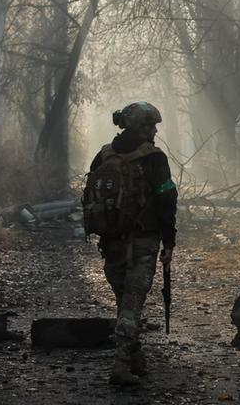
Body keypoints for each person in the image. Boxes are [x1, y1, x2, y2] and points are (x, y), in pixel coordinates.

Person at [85, 101, 178, 386]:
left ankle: (135, 357)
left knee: (126, 301)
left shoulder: (103, 156)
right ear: (140, 127)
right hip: (143, 241)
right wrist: (169, 242)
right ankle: (121, 366)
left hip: (110, 242)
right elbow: (166, 201)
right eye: (151, 125)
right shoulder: (154, 159)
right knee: (132, 303)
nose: (155, 131)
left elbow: (88, 198)